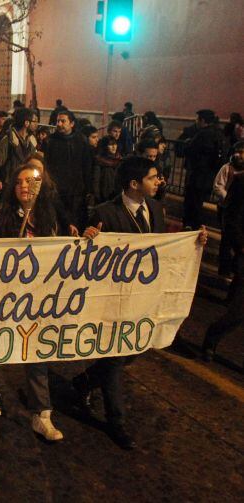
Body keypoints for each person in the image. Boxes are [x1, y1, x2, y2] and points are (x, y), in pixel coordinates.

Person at [73, 156, 207, 449]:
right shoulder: (104, 213)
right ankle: (116, 421)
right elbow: (84, 260)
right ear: (135, 184)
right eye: (153, 177)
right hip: (113, 301)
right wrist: (88, 239)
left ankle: (83, 382)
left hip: (144, 300)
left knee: (134, 350)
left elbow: (166, 249)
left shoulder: (156, 209)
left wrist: (195, 242)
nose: (160, 181)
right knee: (115, 358)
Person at [0, 165, 98, 439]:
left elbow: (60, 250)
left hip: (37, 298)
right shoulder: (0, 218)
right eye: (18, 182)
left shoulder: (48, 217)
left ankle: (42, 413)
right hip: (4, 296)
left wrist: (83, 241)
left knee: (36, 349)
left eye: (30, 182)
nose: (24, 187)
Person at [203, 166, 244, 361]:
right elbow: (231, 217)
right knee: (238, 312)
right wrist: (240, 246)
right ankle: (212, 337)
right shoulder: (240, 181)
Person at [43, 110, 93, 230]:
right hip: (58, 192)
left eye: (63, 121)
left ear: (72, 123)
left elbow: (87, 165)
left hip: (77, 192)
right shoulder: (50, 141)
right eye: (58, 121)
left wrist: (89, 189)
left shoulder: (81, 140)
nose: (59, 124)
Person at [183, 109, 227, 229]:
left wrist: (187, 144)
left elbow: (190, 150)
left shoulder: (203, 134)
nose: (196, 122)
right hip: (210, 177)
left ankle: (190, 230)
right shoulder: (220, 133)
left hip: (198, 176)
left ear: (202, 120)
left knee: (192, 206)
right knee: (199, 204)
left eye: (197, 119)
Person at [212, 141, 244, 276]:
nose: (238, 155)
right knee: (226, 240)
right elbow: (218, 186)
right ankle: (224, 269)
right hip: (227, 209)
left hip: (240, 211)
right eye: (237, 151)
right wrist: (228, 198)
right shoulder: (227, 168)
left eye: (241, 152)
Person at [0, 107, 38, 188]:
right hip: (10, 187)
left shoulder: (32, 142)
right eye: (34, 121)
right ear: (26, 123)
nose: (37, 124)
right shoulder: (8, 141)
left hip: (25, 187)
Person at [93, 136, 122, 203]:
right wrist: (97, 195)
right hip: (105, 195)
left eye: (115, 144)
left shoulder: (120, 159)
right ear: (105, 146)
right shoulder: (100, 160)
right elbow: (96, 180)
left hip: (118, 194)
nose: (114, 147)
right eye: (110, 145)